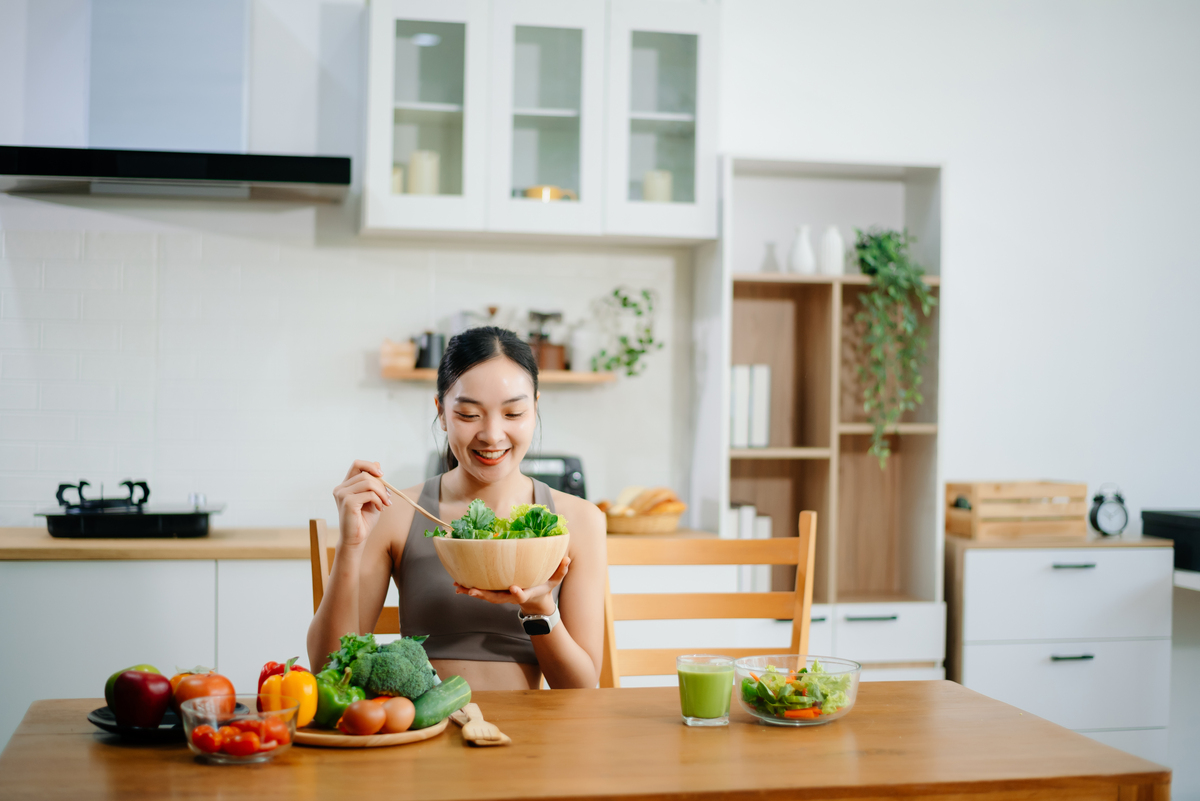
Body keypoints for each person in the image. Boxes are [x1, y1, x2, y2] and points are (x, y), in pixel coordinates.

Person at [307, 326, 606, 690]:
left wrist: (541, 611)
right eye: (468, 414)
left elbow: (582, 690)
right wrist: (350, 546)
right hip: (424, 732)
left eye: (513, 414)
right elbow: (330, 672)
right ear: (442, 412)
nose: (492, 435)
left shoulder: (581, 521)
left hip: (533, 739)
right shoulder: (395, 512)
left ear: (535, 409)